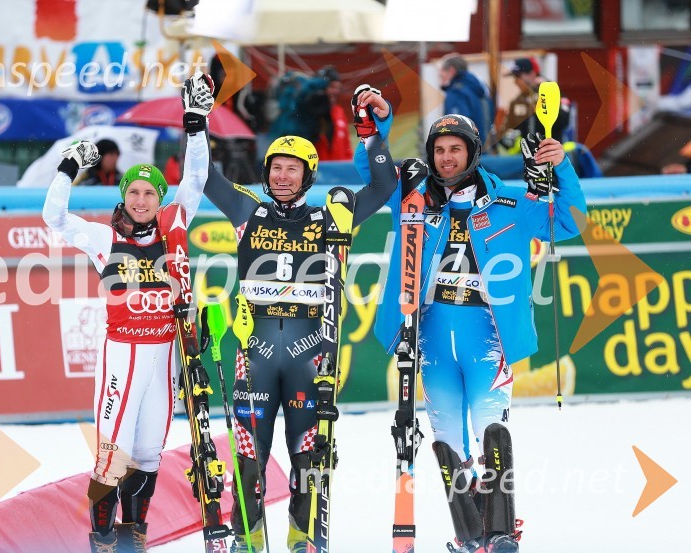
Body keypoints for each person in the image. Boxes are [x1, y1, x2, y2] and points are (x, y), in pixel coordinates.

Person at [355, 112, 586, 552]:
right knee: (446, 445)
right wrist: (374, 131)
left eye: (455, 149)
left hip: (486, 339)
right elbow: (375, 175)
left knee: (491, 434)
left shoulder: (512, 205)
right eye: (439, 150)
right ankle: (470, 534)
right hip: (432, 338)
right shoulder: (411, 198)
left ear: (473, 152)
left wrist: (563, 167)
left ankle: (501, 530)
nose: (445, 158)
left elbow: (571, 221)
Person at [193, 82, 397, 553]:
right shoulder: (248, 210)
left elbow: (386, 186)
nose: (283, 176)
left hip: (312, 358)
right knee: (249, 458)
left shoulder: (333, 217)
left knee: (310, 456)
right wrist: (196, 122)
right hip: (254, 357)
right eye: (276, 168)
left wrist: (372, 134)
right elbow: (205, 178)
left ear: (309, 175)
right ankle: (249, 535)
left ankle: (302, 537)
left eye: (293, 169)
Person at [43, 72, 214, 553]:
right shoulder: (104, 238)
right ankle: (99, 535)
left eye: (150, 194)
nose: (141, 201)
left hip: (165, 356)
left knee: (148, 452)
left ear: (161, 200)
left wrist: (195, 124)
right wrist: (65, 170)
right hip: (122, 354)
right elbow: (53, 219)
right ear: (124, 198)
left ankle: (133, 533)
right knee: (112, 453)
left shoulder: (174, 227)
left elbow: (196, 177)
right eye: (134, 193)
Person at [500, 57, 572, 150]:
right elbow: (508, 129)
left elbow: (564, 120)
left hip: (551, 154)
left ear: (532, 74)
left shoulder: (552, 93)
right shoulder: (517, 101)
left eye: (518, 77)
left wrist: (539, 99)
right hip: (526, 158)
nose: (515, 82)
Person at [438, 53, 494, 144]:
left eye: (441, 76)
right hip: (482, 149)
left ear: (451, 71)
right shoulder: (479, 90)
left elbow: (457, 128)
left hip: (465, 152)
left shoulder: (456, 93)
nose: (441, 80)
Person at [313, 66, 354, 161]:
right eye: (331, 87)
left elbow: (346, 147)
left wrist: (349, 167)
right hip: (317, 172)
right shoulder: (309, 113)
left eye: (338, 87)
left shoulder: (339, 112)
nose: (335, 91)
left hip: (338, 171)